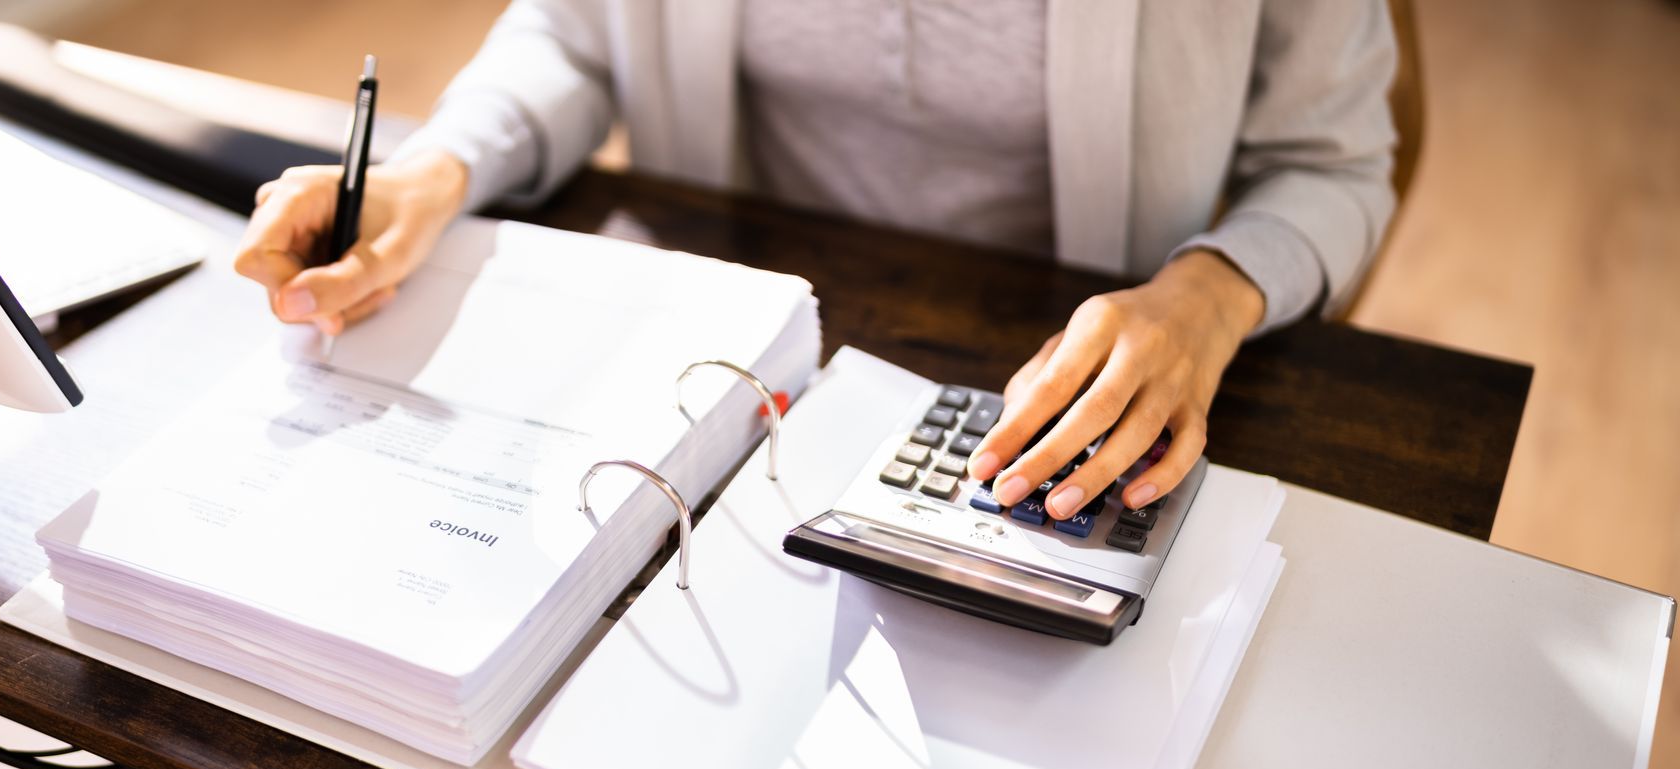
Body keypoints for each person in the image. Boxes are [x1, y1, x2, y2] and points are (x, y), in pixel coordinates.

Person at [234, 0, 1399, 523]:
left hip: (1047, 379)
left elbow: (1335, 165)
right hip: (737, 355)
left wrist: (1209, 292)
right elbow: (576, 33)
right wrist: (438, 171)